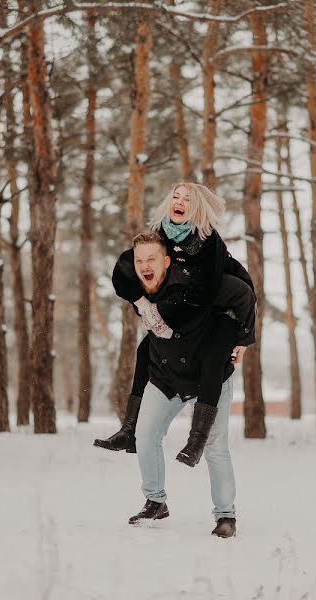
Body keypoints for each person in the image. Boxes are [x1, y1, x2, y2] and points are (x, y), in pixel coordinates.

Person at [94, 182, 255, 464]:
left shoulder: (209, 244)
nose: (178, 202)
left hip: (220, 310)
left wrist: (243, 339)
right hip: (184, 310)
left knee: (213, 356)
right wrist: (144, 306)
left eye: (187, 199)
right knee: (145, 351)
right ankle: (129, 429)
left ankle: (197, 441)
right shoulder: (161, 237)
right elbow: (125, 269)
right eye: (175, 197)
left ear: (198, 209)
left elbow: (229, 294)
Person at [108, 231, 256, 538]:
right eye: (139, 261)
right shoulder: (140, 287)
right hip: (166, 376)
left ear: (166, 262)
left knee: (215, 447)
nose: (144, 266)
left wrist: (244, 338)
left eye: (152, 259)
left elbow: (244, 294)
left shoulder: (197, 287)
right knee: (146, 436)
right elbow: (121, 271)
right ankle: (155, 501)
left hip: (209, 376)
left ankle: (226, 515)